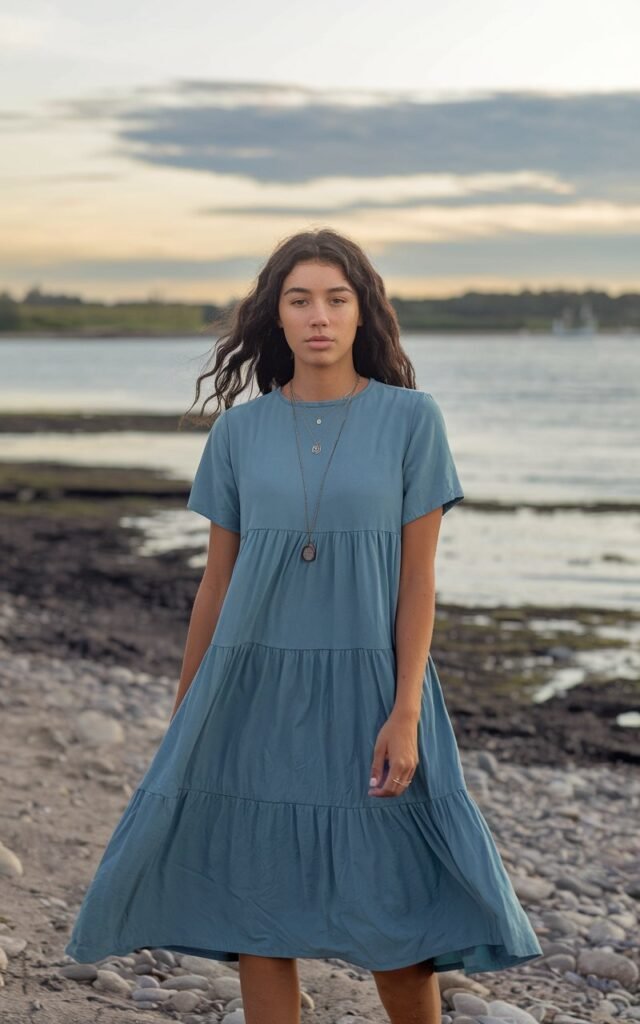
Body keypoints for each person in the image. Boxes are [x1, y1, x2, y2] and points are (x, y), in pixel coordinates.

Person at [64, 228, 543, 1024]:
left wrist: (405, 710)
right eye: (299, 299)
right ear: (275, 318)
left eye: (336, 298)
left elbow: (419, 580)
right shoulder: (238, 434)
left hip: (369, 687)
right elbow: (216, 584)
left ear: (363, 314)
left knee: (399, 910)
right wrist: (189, 710)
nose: (318, 316)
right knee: (261, 906)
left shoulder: (412, 420)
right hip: (250, 688)